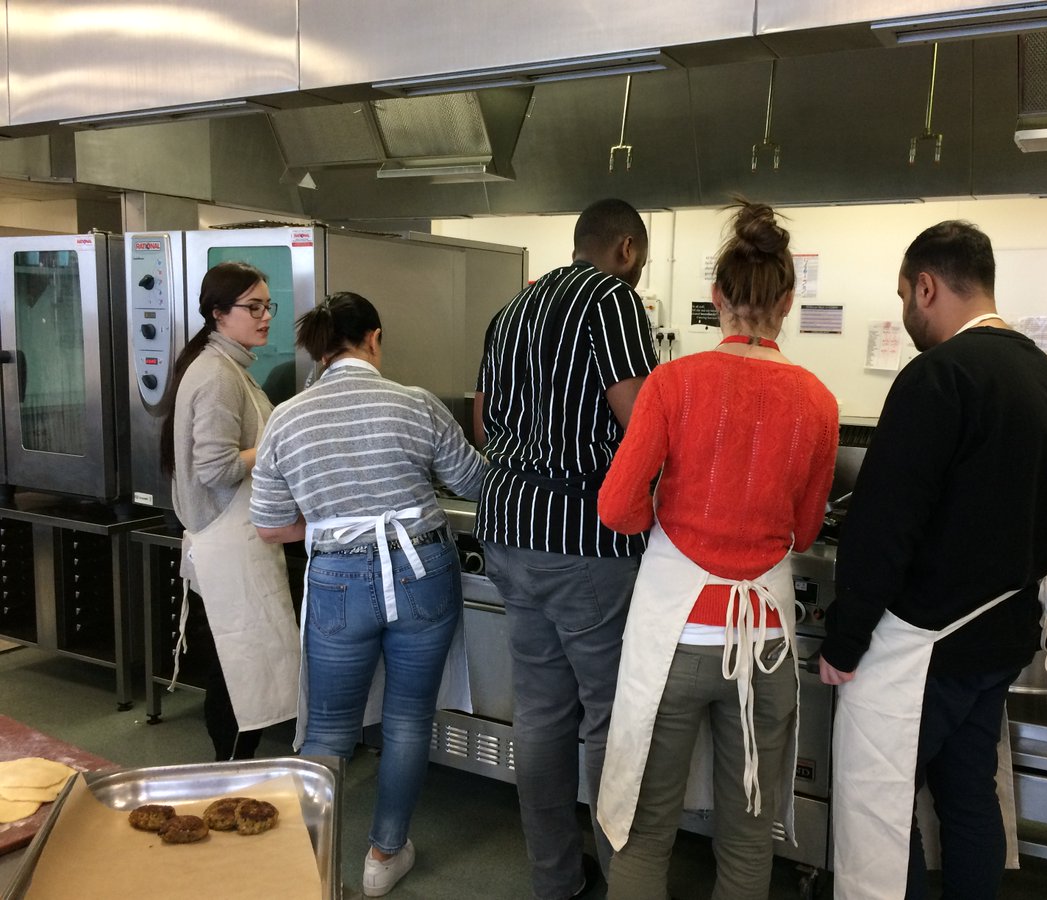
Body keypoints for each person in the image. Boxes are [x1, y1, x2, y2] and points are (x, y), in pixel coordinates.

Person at [818, 220, 1047, 900]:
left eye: (905, 293)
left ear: (927, 287)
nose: (905, 311)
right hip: (1001, 639)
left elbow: (883, 526)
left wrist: (844, 641)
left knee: (882, 802)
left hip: (924, 651)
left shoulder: (938, 377)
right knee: (969, 794)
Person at [595, 200, 839, 900]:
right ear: (788, 303)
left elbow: (617, 507)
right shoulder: (818, 402)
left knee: (647, 831)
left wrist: (669, 515)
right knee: (748, 833)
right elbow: (806, 524)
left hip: (674, 635)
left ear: (716, 300)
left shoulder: (673, 383)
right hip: (762, 641)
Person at [250, 291, 485, 898]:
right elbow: (475, 481)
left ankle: (313, 867)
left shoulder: (287, 417)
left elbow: (271, 525)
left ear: (319, 352)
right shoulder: (415, 404)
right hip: (422, 570)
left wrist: (333, 525)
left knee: (327, 731)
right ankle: (383, 856)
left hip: (336, 581)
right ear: (374, 339)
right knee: (407, 721)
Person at [474, 198, 658, 900]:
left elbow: (485, 422)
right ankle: (624, 880)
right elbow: (638, 418)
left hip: (509, 527)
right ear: (625, 249)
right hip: (586, 537)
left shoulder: (511, 308)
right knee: (609, 715)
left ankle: (555, 879)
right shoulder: (613, 299)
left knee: (543, 712)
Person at [160, 260, 300, 762]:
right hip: (227, 545)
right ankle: (230, 773)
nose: (265, 317)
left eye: (268, 306)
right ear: (219, 313)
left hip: (232, 542)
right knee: (241, 674)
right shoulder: (218, 374)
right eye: (253, 307)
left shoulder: (225, 367)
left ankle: (232, 769)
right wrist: (280, 442)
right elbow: (216, 468)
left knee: (238, 668)